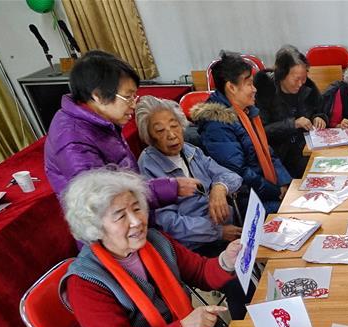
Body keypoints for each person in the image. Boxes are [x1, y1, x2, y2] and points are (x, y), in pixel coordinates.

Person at [60, 169, 244, 327]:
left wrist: (226, 260)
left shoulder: (156, 240)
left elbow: (199, 271)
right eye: (121, 216)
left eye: (137, 208)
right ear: (95, 226)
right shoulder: (84, 284)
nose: (137, 221)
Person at [44, 50, 197, 208]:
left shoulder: (101, 120)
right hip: (111, 223)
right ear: (98, 96)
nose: (133, 104)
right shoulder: (73, 141)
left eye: (134, 96)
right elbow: (103, 200)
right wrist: (170, 188)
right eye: (128, 96)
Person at [135, 96, 242, 255]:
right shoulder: (148, 165)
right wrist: (217, 232)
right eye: (160, 130)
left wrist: (219, 188)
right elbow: (170, 224)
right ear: (149, 137)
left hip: (225, 231)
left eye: (174, 125)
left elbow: (232, 176)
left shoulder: (190, 150)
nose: (171, 135)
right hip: (195, 247)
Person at [191, 51, 291, 215]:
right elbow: (240, 173)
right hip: (248, 199)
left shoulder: (246, 112)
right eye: (249, 84)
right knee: (298, 212)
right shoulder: (217, 124)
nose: (254, 89)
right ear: (231, 87)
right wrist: (276, 192)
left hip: (266, 189)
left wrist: (284, 182)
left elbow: (268, 152)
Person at [254, 45, 327, 178]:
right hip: (280, 157)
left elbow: (319, 109)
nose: (301, 84)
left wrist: (319, 117)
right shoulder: (264, 91)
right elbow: (261, 131)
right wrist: (293, 124)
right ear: (282, 75)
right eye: (296, 79)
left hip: (307, 150)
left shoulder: (308, 86)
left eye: (303, 78)